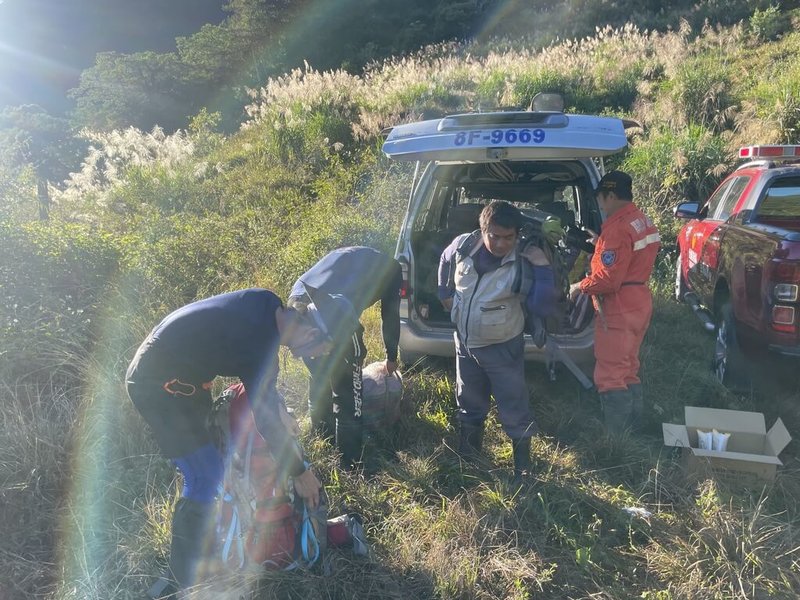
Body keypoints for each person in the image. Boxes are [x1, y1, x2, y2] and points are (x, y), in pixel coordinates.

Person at [125, 287, 350, 598]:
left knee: (212, 467)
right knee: (203, 478)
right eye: (316, 350)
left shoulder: (268, 304)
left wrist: (275, 410)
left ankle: (212, 546)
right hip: (158, 387)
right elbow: (264, 415)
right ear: (310, 331)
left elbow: (258, 387)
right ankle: (182, 582)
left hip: (183, 381)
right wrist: (300, 472)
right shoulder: (260, 343)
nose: (307, 356)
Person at [437, 200, 556, 481]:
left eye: (509, 237)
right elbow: (444, 259)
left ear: (517, 235)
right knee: (468, 400)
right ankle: (468, 459)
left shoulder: (526, 260)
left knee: (513, 404)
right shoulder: (464, 245)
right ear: (483, 230)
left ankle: (522, 472)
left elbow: (542, 307)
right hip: (465, 344)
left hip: (503, 347)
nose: (501, 244)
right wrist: (443, 291)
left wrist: (542, 267)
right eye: (495, 236)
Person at [288, 246, 402, 468]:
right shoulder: (394, 269)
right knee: (349, 394)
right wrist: (391, 354)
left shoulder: (347, 255)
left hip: (297, 302)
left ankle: (322, 437)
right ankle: (350, 464)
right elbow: (390, 314)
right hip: (329, 311)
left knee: (320, 376)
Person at [569, 171, 660, 434]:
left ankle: (616, 438)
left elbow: (608, 280)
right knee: (628, 366)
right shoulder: (640, 220)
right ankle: (636, 426)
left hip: (619, 305)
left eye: (601, 199)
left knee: (610, 372)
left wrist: (579, 286)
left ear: (610, 195)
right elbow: (630, 255)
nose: (600, 205)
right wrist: (601, 244)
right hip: (638, 300)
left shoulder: (617, 228)